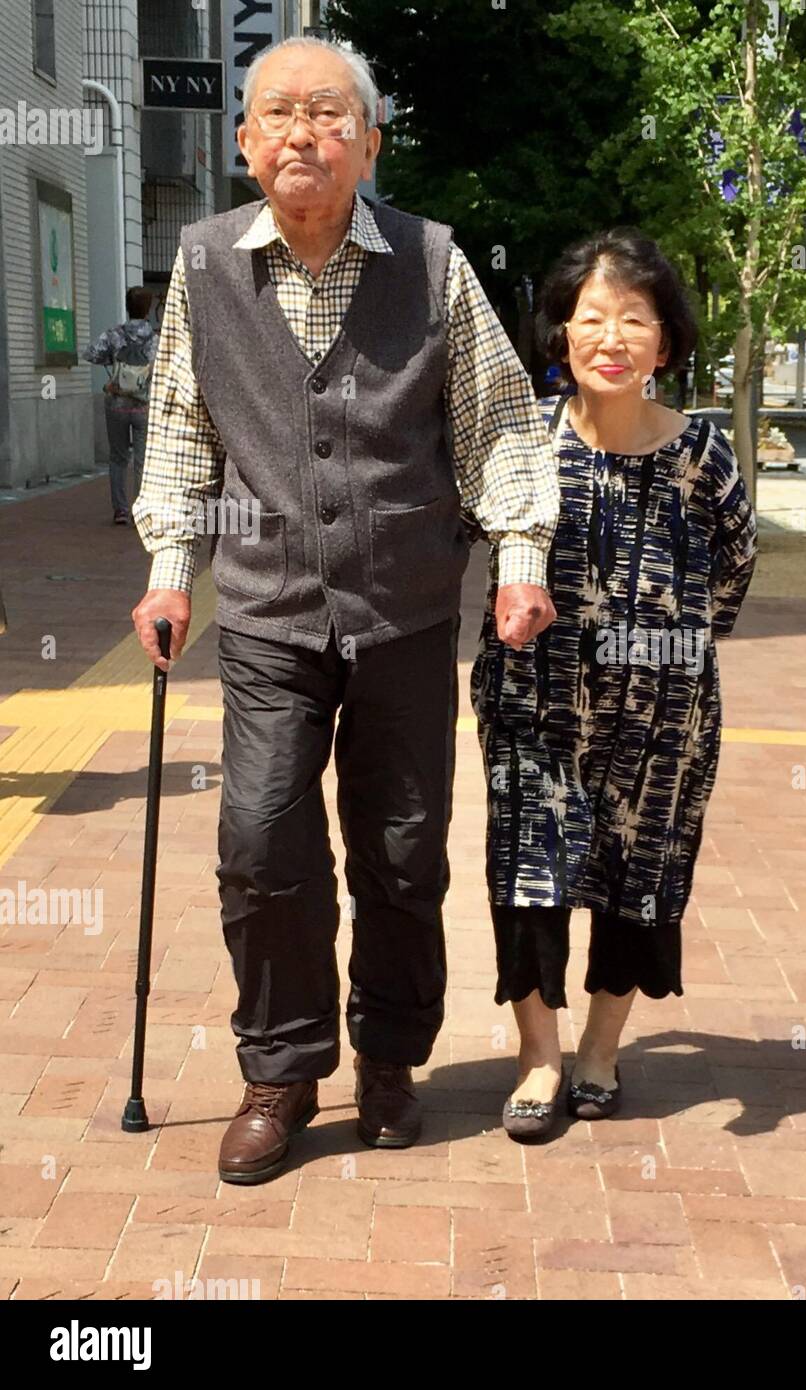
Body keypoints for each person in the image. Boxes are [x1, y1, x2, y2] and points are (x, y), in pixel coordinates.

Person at [128, 35, 559, 1184]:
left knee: (404, 853)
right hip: (269, 616)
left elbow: (500, 421)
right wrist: (173, 566)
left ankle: (388, 1059)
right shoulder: (207, 263)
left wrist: (519, 555)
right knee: (263, 842)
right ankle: (281, 1068)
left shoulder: (431, 260)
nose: (300, 133)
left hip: (406, 611)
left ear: (369, 141)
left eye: (327, 114)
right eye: (276, 114)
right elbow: (179, 428)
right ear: (243, 142)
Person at [472, 228, 758, 1141]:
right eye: (591, 318)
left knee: (642, 877)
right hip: (534, 708)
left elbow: (732, 575)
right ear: (560, 335)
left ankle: (600, 1048)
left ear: (665, 343)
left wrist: (659, 651)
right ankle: (537, 1057)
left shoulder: (703, 456)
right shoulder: (525, 447)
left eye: (635, 320)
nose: (611, 337)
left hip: (664, 719)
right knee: (529, 873)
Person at [82, 287, 156, 523]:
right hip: (144, 406)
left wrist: (111, 363)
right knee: (143, 460)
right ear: (148, 310)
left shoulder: (114, 335)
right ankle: (141, 511)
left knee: (118, 457)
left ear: (127, 306)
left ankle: (120, 510)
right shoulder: (156, 339)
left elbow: (90, 353)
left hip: (116, 403)